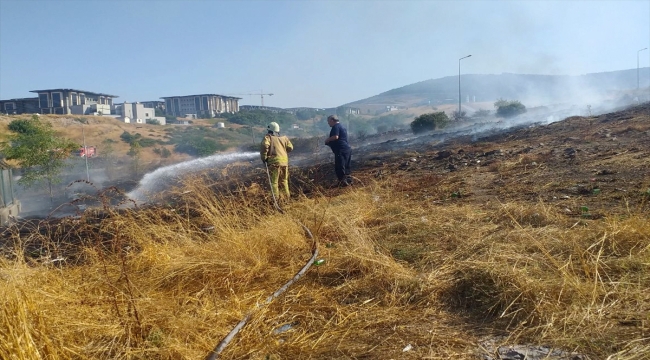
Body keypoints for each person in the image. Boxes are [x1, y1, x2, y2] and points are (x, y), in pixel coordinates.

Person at [260, 122, 294, 199]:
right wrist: (283, 152)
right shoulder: (284, 138)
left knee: (274, 182)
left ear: (269, 130)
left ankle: (275, 199)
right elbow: (290, 147)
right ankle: (286, 198)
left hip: (274, 163)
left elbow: (265, 145)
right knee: (284, 181)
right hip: (284, 162)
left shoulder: (268, 137)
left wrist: (264, 157)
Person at [325, 115, 353, 186]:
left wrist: (328, 140)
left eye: (328, 121)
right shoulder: (342, 126)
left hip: (340, 149)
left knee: (340, 166)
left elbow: (336, 137)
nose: (328, 123)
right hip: (346, 149)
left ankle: (343, 182)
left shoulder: (336, 127)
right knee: (346, 165)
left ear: (332, 120)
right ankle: (348, 180)